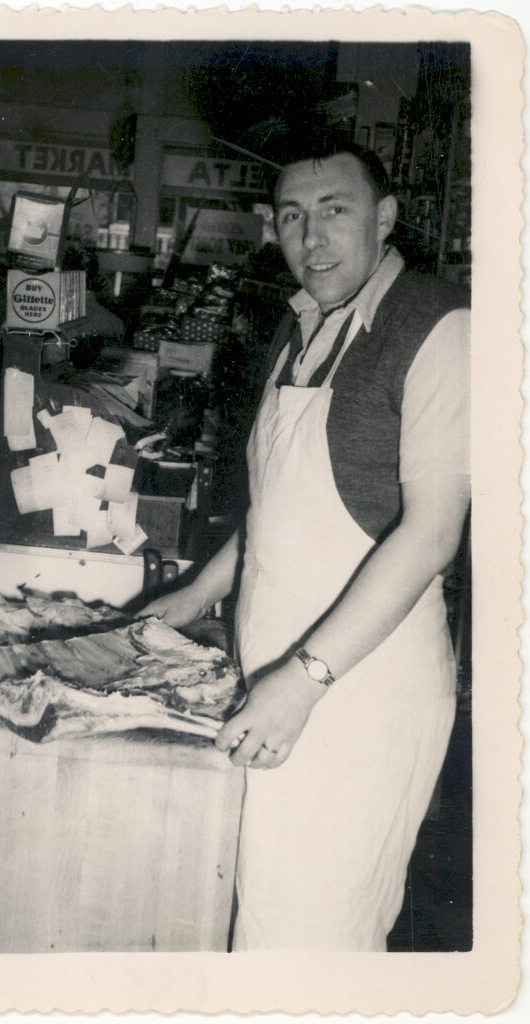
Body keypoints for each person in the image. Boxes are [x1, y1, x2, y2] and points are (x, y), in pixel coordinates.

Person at [139, 139, 470, 951]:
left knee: (312, 950)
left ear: (384, 218)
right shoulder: (302, 323)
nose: (310, 237)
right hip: (277, 678)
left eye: (334, 211)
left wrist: (304, 677)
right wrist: (200, 591)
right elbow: (276, 503)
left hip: (357, 694)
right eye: (292, 216)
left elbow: (430, 535)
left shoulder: (441, 326)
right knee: (263, 926)